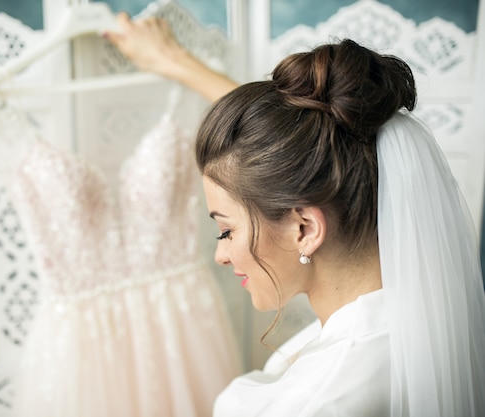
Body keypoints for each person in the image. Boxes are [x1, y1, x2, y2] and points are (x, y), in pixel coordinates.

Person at [106, 13, 485, 417]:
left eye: (226, 230)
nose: (220, 254)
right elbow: (293, 152)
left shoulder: (316, 403)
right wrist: (176, 63)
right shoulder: (420, 319)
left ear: (305, 228)